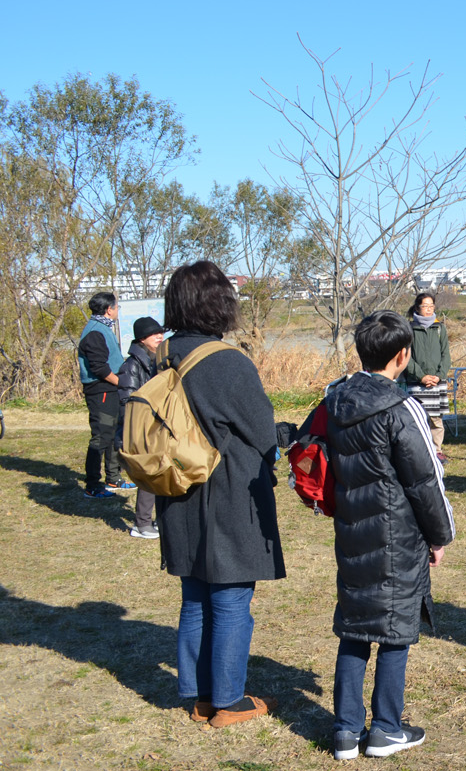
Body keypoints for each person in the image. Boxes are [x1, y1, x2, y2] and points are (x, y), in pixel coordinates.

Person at [158, 261, 286, 728]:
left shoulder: (164, 354)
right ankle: (229, 702)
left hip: (177, 490)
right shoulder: (227, 361)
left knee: (195, 597)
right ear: (221, 305)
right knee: (231, 600)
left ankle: (199, 696)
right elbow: (260, 431)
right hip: (227, 493)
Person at [327, 310, 456, 759]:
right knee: (395, 631)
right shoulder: (403, 409)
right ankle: (384, 728)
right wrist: (440, 537)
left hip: (352, 531)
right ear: (403, 357)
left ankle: (345, 731)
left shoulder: (335, 399)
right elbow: (425, 482)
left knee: (355, 627)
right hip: (398, 536)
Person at [115, 316, 166, 539]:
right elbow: (127, 403)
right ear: (142, 338)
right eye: (154, 334)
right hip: (140, 430)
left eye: (161, 333)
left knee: (163, 471)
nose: (160, 337)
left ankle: (157, 520)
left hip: (157, 426)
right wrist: (141, 429)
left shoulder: (158, 360)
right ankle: (141, 525)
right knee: (148, 474)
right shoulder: (131, 365)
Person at [77, 291, 130, 497]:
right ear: (109, 310)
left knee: (114, 434)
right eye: (117, 307)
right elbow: (99, 368)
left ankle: (113, 478)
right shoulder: (95, 332)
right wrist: (122, 383)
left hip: (110, 390)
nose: (118, 310)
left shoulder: (102, 329)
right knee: (101, 436)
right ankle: (93, 485)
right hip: (101, 391)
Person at [402, 292, 452, 462]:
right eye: (425, 306)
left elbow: (446, 355)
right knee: (417, 418)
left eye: (431, 306)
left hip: (437, 382)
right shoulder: (408, 329)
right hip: (417, 383)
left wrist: (439, 376)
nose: (429, 309)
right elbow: (406, 357)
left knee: (437, 419)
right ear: (417, 307)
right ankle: (420, 452)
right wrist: (421, 376)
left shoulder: (439, 328)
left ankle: (437, 450)